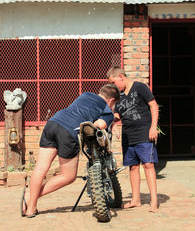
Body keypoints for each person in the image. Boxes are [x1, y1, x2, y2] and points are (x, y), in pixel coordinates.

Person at [21, 84, 120, 218]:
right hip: (69, 131)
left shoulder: (85, 94)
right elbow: (99, 125)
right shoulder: (107, 109)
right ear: (112, 101)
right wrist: (109, 120)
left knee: (40, 168)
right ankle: (31, 196)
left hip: (53, 122)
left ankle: (31, 207)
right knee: (68, 176)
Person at [107, 66, 159, 213]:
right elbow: (117, 115)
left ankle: (153, 200)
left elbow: (153, 105)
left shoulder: (140, 87)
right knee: (133, 166)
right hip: (128, 136)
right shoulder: (120, 96)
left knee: (148, 165)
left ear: (121, 77)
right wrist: (112, 123)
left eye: (113, 82)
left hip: (144, 132)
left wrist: (153, 127)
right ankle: (136, 200)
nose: (112, 86)